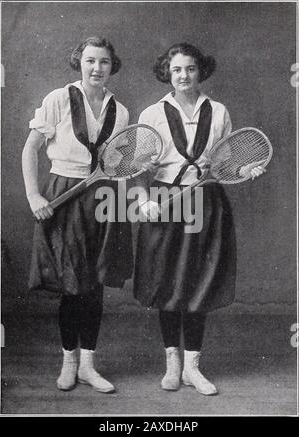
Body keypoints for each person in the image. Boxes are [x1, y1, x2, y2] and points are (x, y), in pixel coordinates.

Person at [133, 42, 265, 395]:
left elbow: (224, 163)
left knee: (198, 284)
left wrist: (245, 166)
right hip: (165, 203)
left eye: (190, 68)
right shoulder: (152, 114)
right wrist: (144, 199)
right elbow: (138, 169)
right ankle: (172, 363)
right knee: (167, 282)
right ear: (167, 73)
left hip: (206, 202)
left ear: (200, 70)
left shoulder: (218, 112)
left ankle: (193, 366)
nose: (183, 75)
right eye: (176, 69)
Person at [22, 36, 133, 393]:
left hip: (103, 198)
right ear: (79, 62)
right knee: (72, 287)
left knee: (95, 285)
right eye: (90, 61)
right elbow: (31, 149)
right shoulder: (58, 99)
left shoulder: (122, 111)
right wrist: (33, 194)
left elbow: (118, 164)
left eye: (103, 61)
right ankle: (68, 363)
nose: (96, 68)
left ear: (111, 66)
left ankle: (88, 365)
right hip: (63, 195)